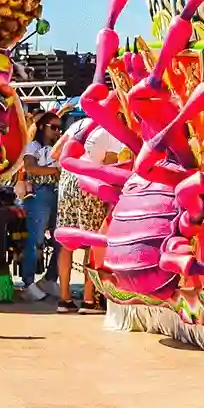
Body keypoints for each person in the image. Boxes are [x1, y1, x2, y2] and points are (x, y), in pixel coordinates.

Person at [53, 116, 125, 313]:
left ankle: (64, 298)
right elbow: (109, 167)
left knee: (67, 242)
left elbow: (55, 153)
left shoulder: (79, 124)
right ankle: (88, 299)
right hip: (90, 182)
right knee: (93, 239)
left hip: (67, 181)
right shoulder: (111, 129)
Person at [15, 111, 66, 300]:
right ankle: (28, 283)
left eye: (60, 128)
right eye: (54, 127)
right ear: (43, 127)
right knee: (35, 239)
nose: (58, 131)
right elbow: (30, 167)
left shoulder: (58, 147)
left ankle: (50, 279)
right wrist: (53, 171)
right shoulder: (33, 146)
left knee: (61, 239)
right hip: (38, 193)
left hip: (57, 193)